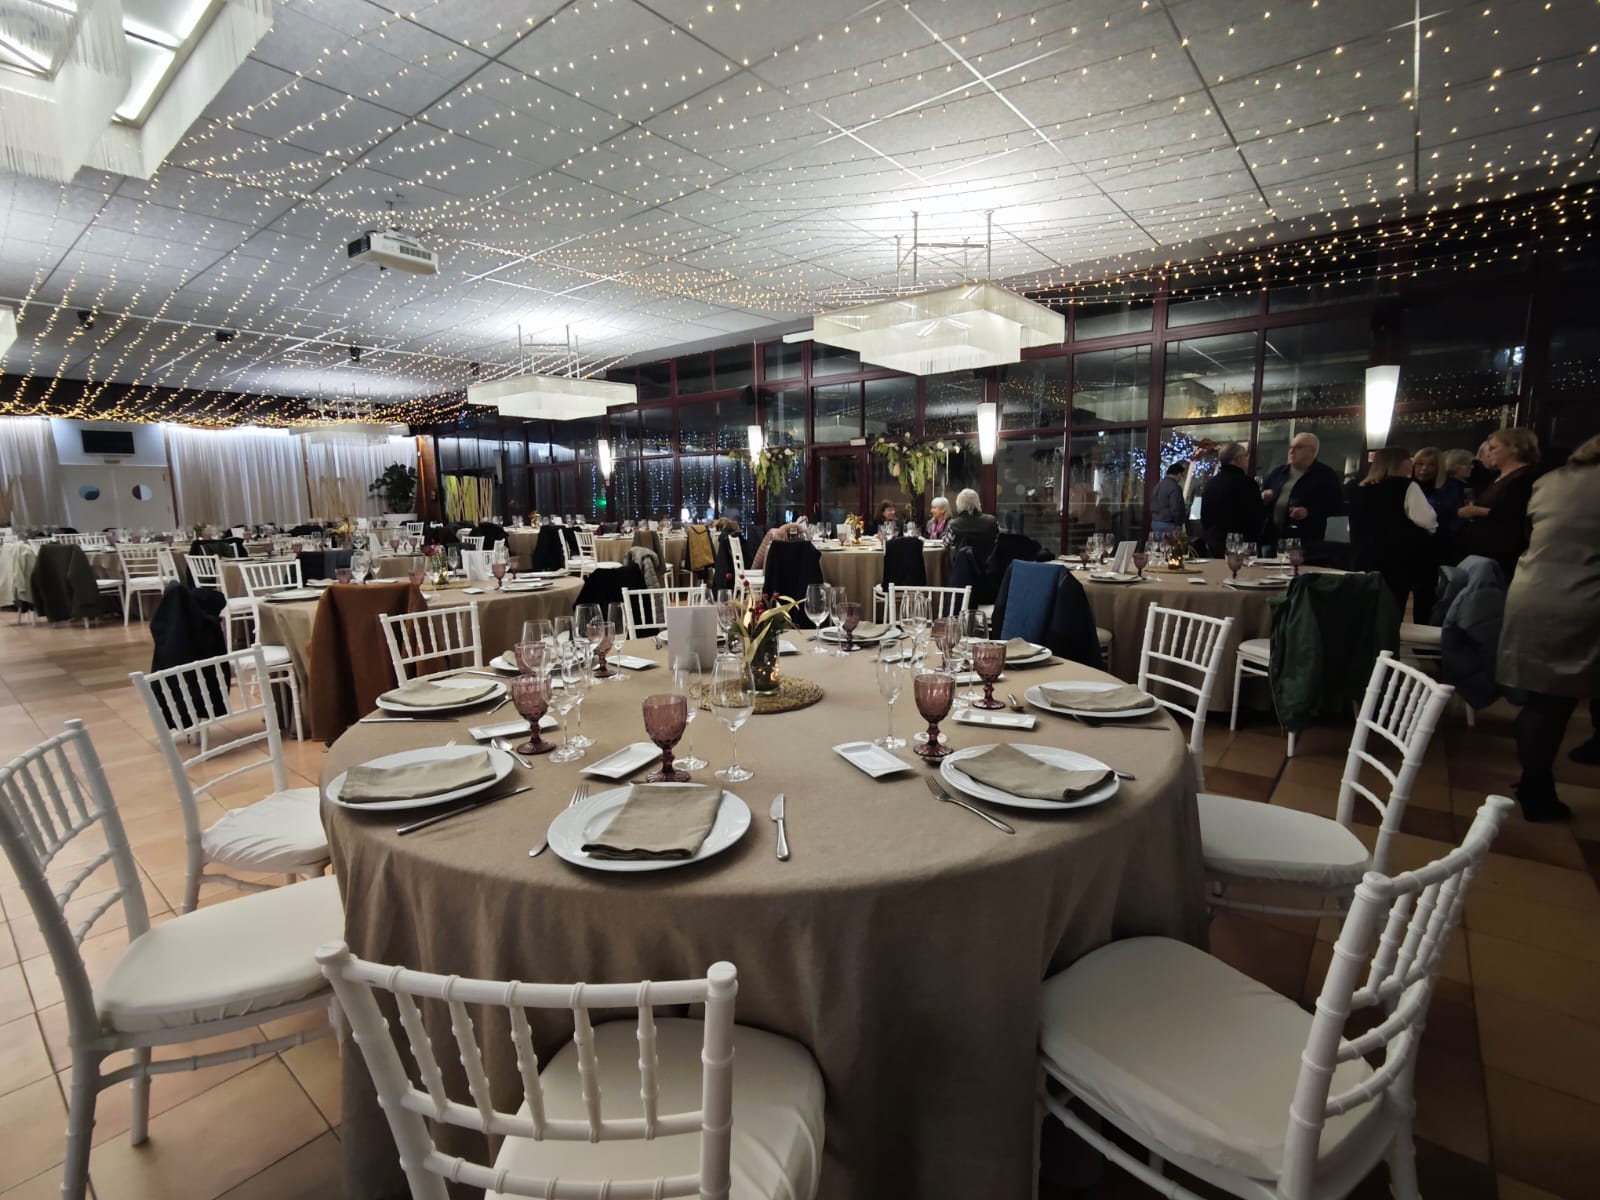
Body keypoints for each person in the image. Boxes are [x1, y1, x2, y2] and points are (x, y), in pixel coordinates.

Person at [1495, 433, 1600, 821]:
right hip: (1584, 597)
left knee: (1544, 702)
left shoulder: (1550, 481)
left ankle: (1535, 781)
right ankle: (1538, 791)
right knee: (1553, 704)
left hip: (1532, 591)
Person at [1347, 446, 1438, 620]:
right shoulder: (1406, 486)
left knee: (1367, 607)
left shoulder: (1359, 488)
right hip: (1397, 558)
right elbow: (1428, 520)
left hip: (1364, 555)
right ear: (1400, 463)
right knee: (1393, 608)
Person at [1457, 427, 1540, 577]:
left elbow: (1516, 514)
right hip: (1483, 551)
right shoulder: (1498, 477)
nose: (1488, 453)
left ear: (1514, 448)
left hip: (1503, 555)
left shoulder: (1525, 478)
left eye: (1493, 448)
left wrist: (1477, 511)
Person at [1260, 431, 1343, 545]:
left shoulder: (1325, 475)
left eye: (1298, 447)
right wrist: (1263, 498)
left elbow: (1335, 506)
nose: (1291, 451)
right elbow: (1259, 499)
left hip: (1305, 540)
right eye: (1291, 447)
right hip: (1272, 537)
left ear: (1312, 451)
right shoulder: (1278, 472)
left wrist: (1308, 512)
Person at [1199, 442, 1263, 556]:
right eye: (1245, 456)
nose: (1247, 459)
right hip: (1241, 545)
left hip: (1215, 543)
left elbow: (1204, 516)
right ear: (1237, 459)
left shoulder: (1211, 483)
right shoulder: (1247, 483)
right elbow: (1256, 517)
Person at [1149, 462, 1188, 537]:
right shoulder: (1175, 487)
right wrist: (1179, 523)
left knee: (1159, 544)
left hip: (1155, 522)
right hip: (1169, 524)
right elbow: (1176, 508)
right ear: (1179, 474)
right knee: (1171, 544)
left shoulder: (1158, 486)